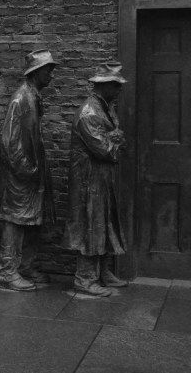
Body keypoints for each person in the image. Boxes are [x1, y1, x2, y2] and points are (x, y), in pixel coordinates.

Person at [0, 50, 57, 291]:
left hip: (30, 172)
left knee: (30, 221)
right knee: (14, 221)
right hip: (19, 175)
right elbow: (9, 140)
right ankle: (7, 272)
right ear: (36, 72)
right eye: (48, 71)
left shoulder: (34, 96)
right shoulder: (21, 99)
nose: (51, 75)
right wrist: (25, 169)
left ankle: (25, 266)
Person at [62, 62, 130, 296]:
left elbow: (114, 141)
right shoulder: (89, 113)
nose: (119, 90)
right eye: (116, 85)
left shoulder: (106, 108)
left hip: (101, 178)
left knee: (104, 223)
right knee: (91, 225)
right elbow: (107, 150)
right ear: (105, 86)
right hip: (88, 181)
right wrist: (117, 140)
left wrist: (115, 139)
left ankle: (103, 271)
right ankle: (85, 278)